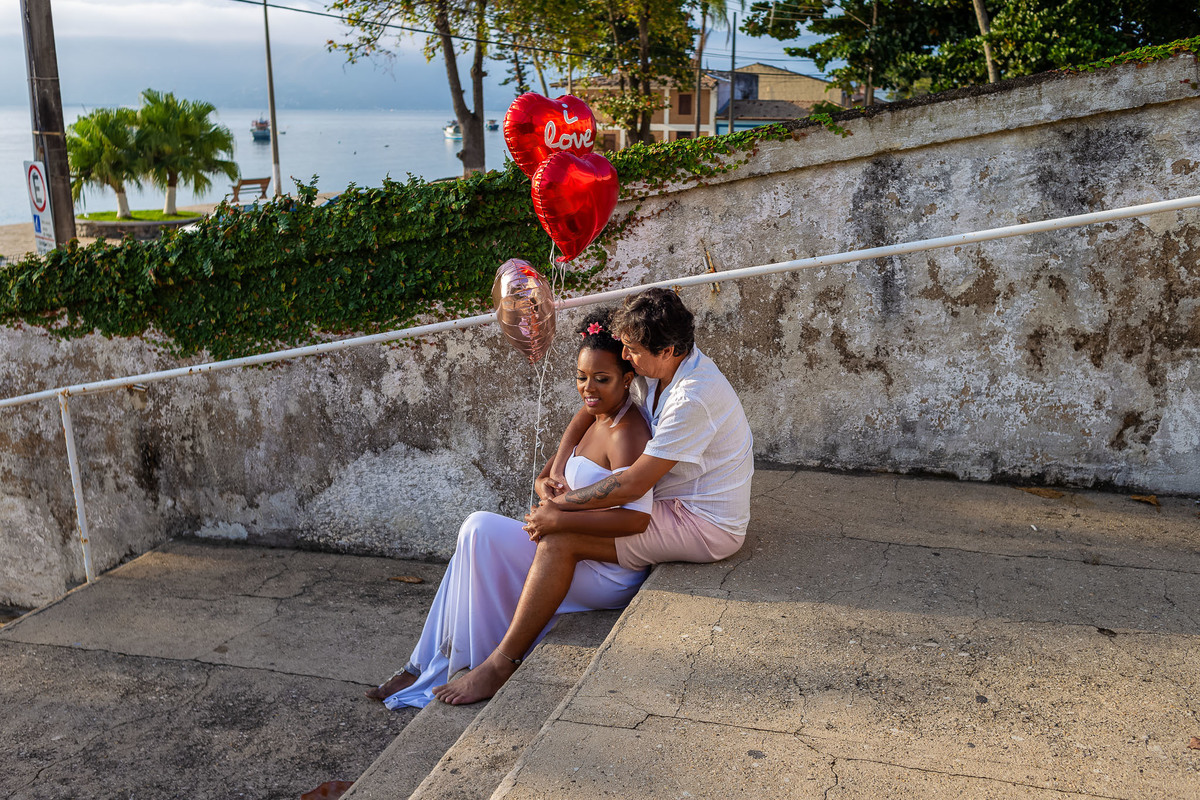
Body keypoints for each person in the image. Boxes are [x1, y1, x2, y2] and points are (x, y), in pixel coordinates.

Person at [427, 287, 754, 706]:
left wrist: (558, 508)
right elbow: (593, 404)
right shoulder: (663, 368)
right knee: (554, 527)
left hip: (704, 522)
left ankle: (501, 664)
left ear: (667, 349)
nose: (627, 356)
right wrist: (556, 469)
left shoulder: (691, 397)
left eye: (632, 351)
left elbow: (633, 486)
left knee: (561, 538)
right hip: (674, 501)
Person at [367, 308, 655, 709]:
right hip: (566, 541)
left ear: (627, 379)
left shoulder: (628, 433)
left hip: (603, 569)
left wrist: (558, 516)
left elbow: (637, 519)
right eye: (581, 377)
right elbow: (555, 467)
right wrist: (544, 483)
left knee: (478, 530)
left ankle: (468, 663)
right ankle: (424, 664)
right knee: (471, 544)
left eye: (601, 379)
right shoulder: (595, 413)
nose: (588, 388)